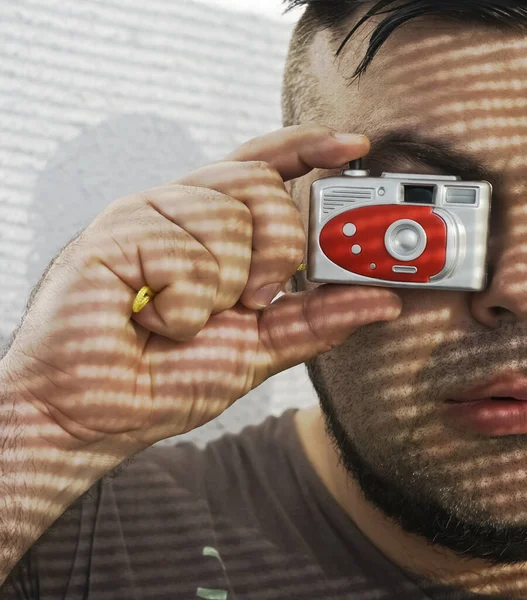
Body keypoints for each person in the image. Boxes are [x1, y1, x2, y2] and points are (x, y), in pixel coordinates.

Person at [1, 0, 527, 597]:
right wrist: (37, 424)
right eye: (412, 214)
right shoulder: (59, 536)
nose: (515, 290)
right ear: (291, 222)